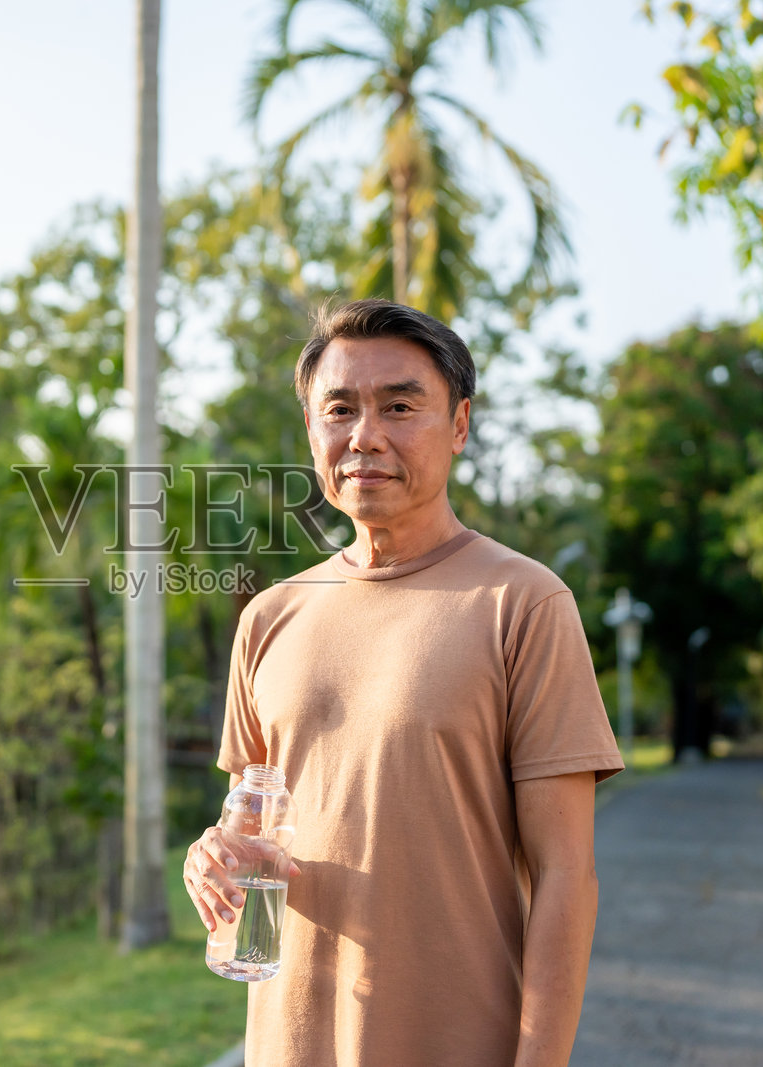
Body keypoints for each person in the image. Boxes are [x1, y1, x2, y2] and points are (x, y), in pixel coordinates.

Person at [183, 299, 624, 1066]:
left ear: (458, 426)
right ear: (314, 431)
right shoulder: (269, 617)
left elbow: (565, 874)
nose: (366, 436)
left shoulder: (523, 603)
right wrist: (211, 855)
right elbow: (251, 827)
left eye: (400, 406)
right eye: (341, 408)